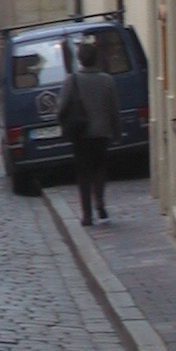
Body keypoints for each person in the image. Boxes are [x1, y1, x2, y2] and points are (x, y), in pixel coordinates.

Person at [58, 36, 121, 226]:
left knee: (83, 173)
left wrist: (62, 124)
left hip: (81, 133)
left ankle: (87, 215)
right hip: (101, 132)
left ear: (80, 59)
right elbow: (114, 109)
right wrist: (117, 133)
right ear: (96, 58)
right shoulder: (107, 80)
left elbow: (61, 107)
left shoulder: (72, 80)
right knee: (99, 168)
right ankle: (99, 199)